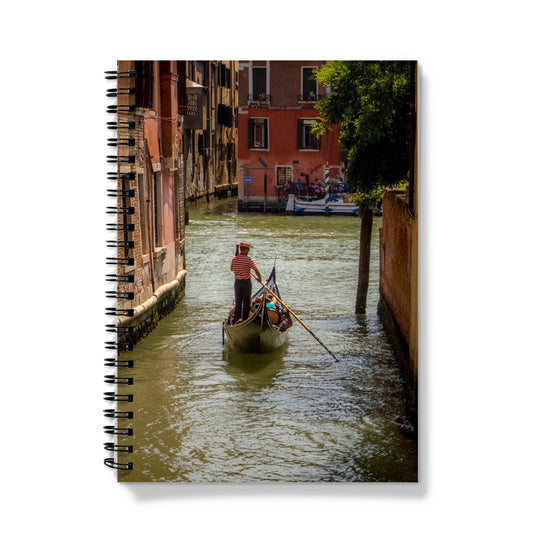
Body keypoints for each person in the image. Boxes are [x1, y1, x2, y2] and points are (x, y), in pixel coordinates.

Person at [230, 241, 262, 324]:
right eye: (248, 249)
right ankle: (244, 320)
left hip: (237, 283)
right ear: (246, 250)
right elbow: (256, 270)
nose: (249, 251)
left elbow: (232, 269)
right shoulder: (249, 259)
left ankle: (236, 320)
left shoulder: (234, 258)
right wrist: (259, 278)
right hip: (246, 283)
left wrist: (240, 268)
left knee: (238, 302)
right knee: (246, 302)